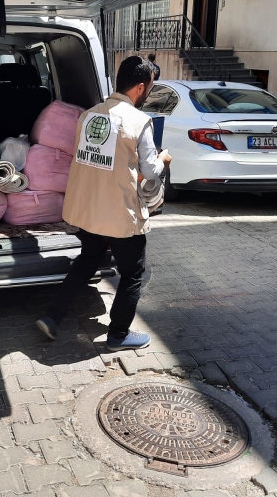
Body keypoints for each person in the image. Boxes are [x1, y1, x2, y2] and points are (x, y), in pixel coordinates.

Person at [36, 56, 172, 351]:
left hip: (88, 211)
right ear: (140, 87)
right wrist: (163, 159)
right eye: (149, 86)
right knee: (133, 273)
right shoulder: (138, 121)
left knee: (87, 261)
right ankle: (118, 335)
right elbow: (149, 172)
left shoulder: (89, 116)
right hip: (119, 215)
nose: (148, 92)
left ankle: (53, 316)